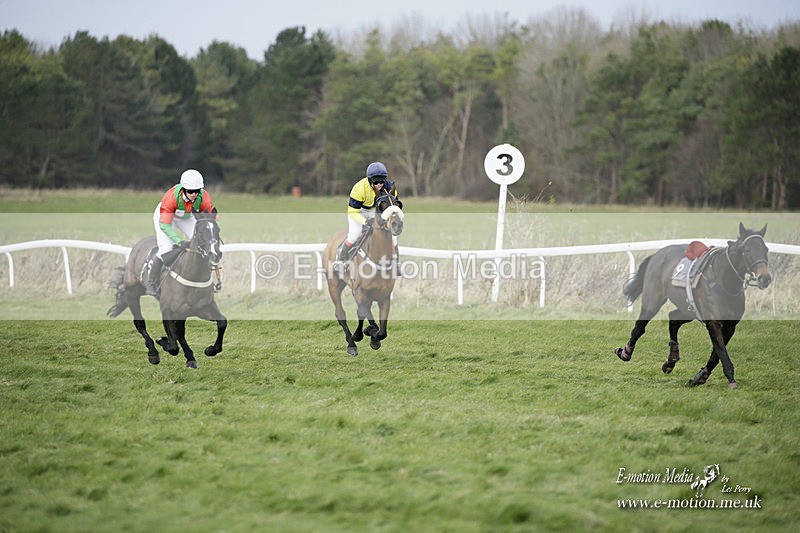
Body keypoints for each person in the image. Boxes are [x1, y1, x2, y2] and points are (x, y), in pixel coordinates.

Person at [145, 169, 217, 296]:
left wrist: (213, 234)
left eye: (197, 191)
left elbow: (212, 219)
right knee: (166, 248)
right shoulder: (171, 198)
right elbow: (165, 225)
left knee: (203, 243)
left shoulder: (203, 196)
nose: (194, 194)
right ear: (183, 189)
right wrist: (179, 241)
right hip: (165, 219)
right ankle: (151, 282)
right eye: (190, 191)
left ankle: (204, 280)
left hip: (186, 217)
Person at [333, 161, 402, 276]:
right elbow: (353, 212)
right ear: (370, 180)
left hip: (377, 212)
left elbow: (393, 206)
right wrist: (365, 221)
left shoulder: (390, 187)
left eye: (382, 180)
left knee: (393, 236)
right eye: (376, 181)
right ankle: (341, 260)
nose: (379, 184)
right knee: (355, 233)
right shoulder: (359, 189)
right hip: (358, 211)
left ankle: (396, 264)